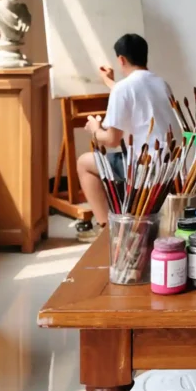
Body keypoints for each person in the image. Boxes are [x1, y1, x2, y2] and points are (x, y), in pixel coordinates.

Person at [76, 33, 177, 241]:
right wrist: (110, 83)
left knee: (83, 162)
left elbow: (111, 140)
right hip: (169, 166)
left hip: (143, 168)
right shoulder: (161, 83)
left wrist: (94, 128)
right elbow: (136, 94)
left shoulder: (123, 89)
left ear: (121, 59)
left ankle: (105, 227)